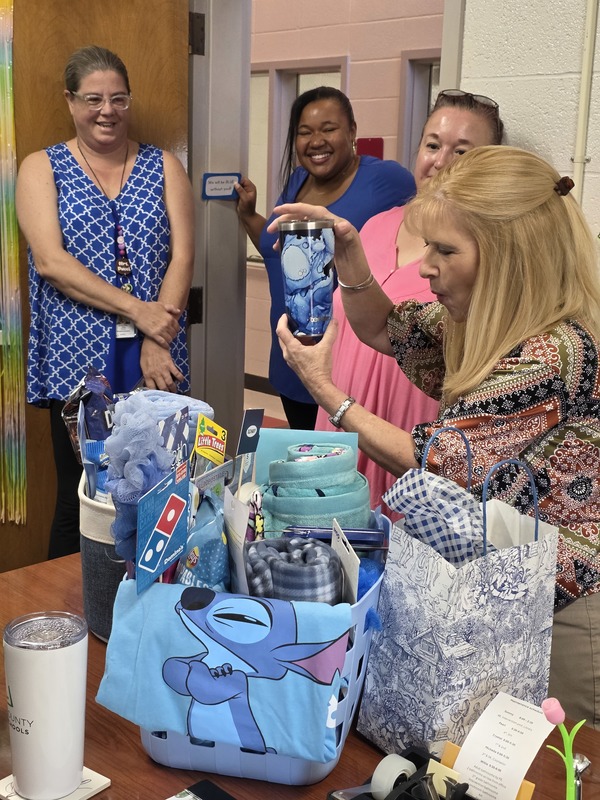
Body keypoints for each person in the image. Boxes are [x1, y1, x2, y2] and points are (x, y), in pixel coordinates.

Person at [270, 146, 600, 726]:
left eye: (445, 251)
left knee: (558, 771)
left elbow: (438, 462)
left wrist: (330, 395)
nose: (424, 267)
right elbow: (383, 325)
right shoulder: (485, 327)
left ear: (508, 257)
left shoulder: (551, 352)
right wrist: (350, 255)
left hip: (570, 609)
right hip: (521, 585)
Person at [16, 45, 194, 559]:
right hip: (77, 360)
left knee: (159, 483)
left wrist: (156, 339)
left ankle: (148, 603)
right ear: (70, 101)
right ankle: (69, 612)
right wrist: (141, 314)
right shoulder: (40, 168)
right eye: (93, 98)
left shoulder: (164, 167)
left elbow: (182, 258)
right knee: (82, 494)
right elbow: (52, 262)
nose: (107, 110)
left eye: (119, 98)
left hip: (155, 357)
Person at [315, 89, 505, 515]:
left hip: (410, 428)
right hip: (342, 415)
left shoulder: (487, 255)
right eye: (433, 145)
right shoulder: (375, 226)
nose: (441, 161)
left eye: (462, 151)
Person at [235, 86, 415, 429]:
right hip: (290, 357)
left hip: (342, 364)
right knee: (302, 464)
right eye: (305, 132)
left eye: (329, 128)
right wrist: (248, 215)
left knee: (335, 472)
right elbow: (282, 257)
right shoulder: (299, 180)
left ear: (352, 132)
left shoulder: (386, 180)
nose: (316, 140)